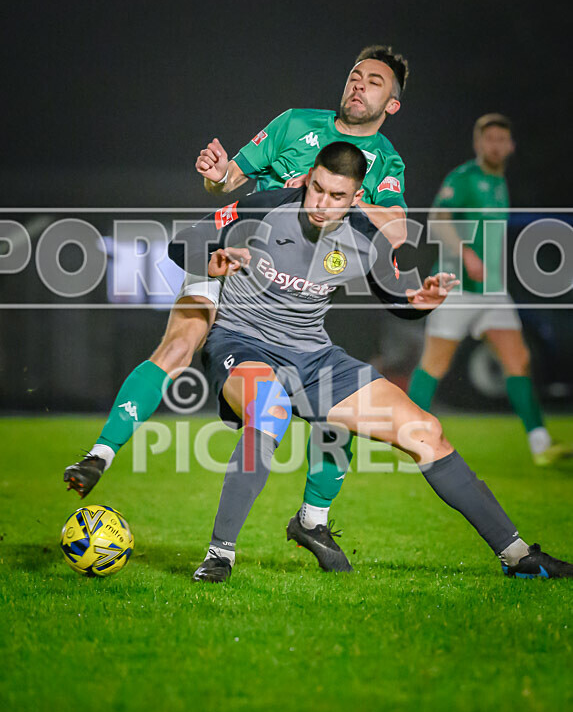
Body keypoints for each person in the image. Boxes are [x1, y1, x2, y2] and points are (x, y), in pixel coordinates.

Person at [64, 45, 412, 565]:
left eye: (374, 82)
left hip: (290, 285)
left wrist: (338, 199)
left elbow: (398, 232)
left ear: (392, 103)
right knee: (179, 342)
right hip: (230, 248)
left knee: (334, 405)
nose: (359, 86)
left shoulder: (387, 161)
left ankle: (313, 521)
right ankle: (99, 454)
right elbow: (229, 183)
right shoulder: (296, 123)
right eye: (355, 76)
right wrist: (217, 171)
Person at [168, 141, 573, 583]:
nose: (321, 204)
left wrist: (421, 302)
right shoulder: (264, 206)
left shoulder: (364, 237)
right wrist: (214, 262)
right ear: (307, 178)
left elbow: (396, 298)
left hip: (312, 354)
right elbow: (180, 246)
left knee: (427, 432)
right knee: (268, 411)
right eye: (316, 189)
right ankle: (220, 554)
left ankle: (517, 556)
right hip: (242, 341)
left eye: (336, 196)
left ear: (357, 196)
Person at [408, 114, 572, 466]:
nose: (495, 145)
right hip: (455, 287)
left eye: (502, 139)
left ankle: (541, 444)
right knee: (435, 364)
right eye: (489, 139)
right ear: (478, 144)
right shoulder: (466, 177)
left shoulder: (500, 182)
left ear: (510, 146)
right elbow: (437, 220)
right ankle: (409, 437)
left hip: (493, 291)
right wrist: (466, 254)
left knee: (519, 360)